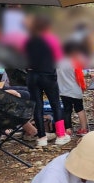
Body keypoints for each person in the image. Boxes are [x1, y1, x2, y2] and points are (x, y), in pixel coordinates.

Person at [26, 16, 70, 147]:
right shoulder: (51, 39)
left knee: (37, 106)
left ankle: (41, 137)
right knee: (55, 103)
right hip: (48, 74)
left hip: (32, 75)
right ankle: (61, 135)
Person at [57, 44, 89, 137]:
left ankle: (68, 129)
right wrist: (83, 87)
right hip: (75, 91)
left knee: (67, 110)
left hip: (63, 91)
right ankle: (83, 128)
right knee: (79, 109)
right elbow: (80, 77)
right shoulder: (75, 62)